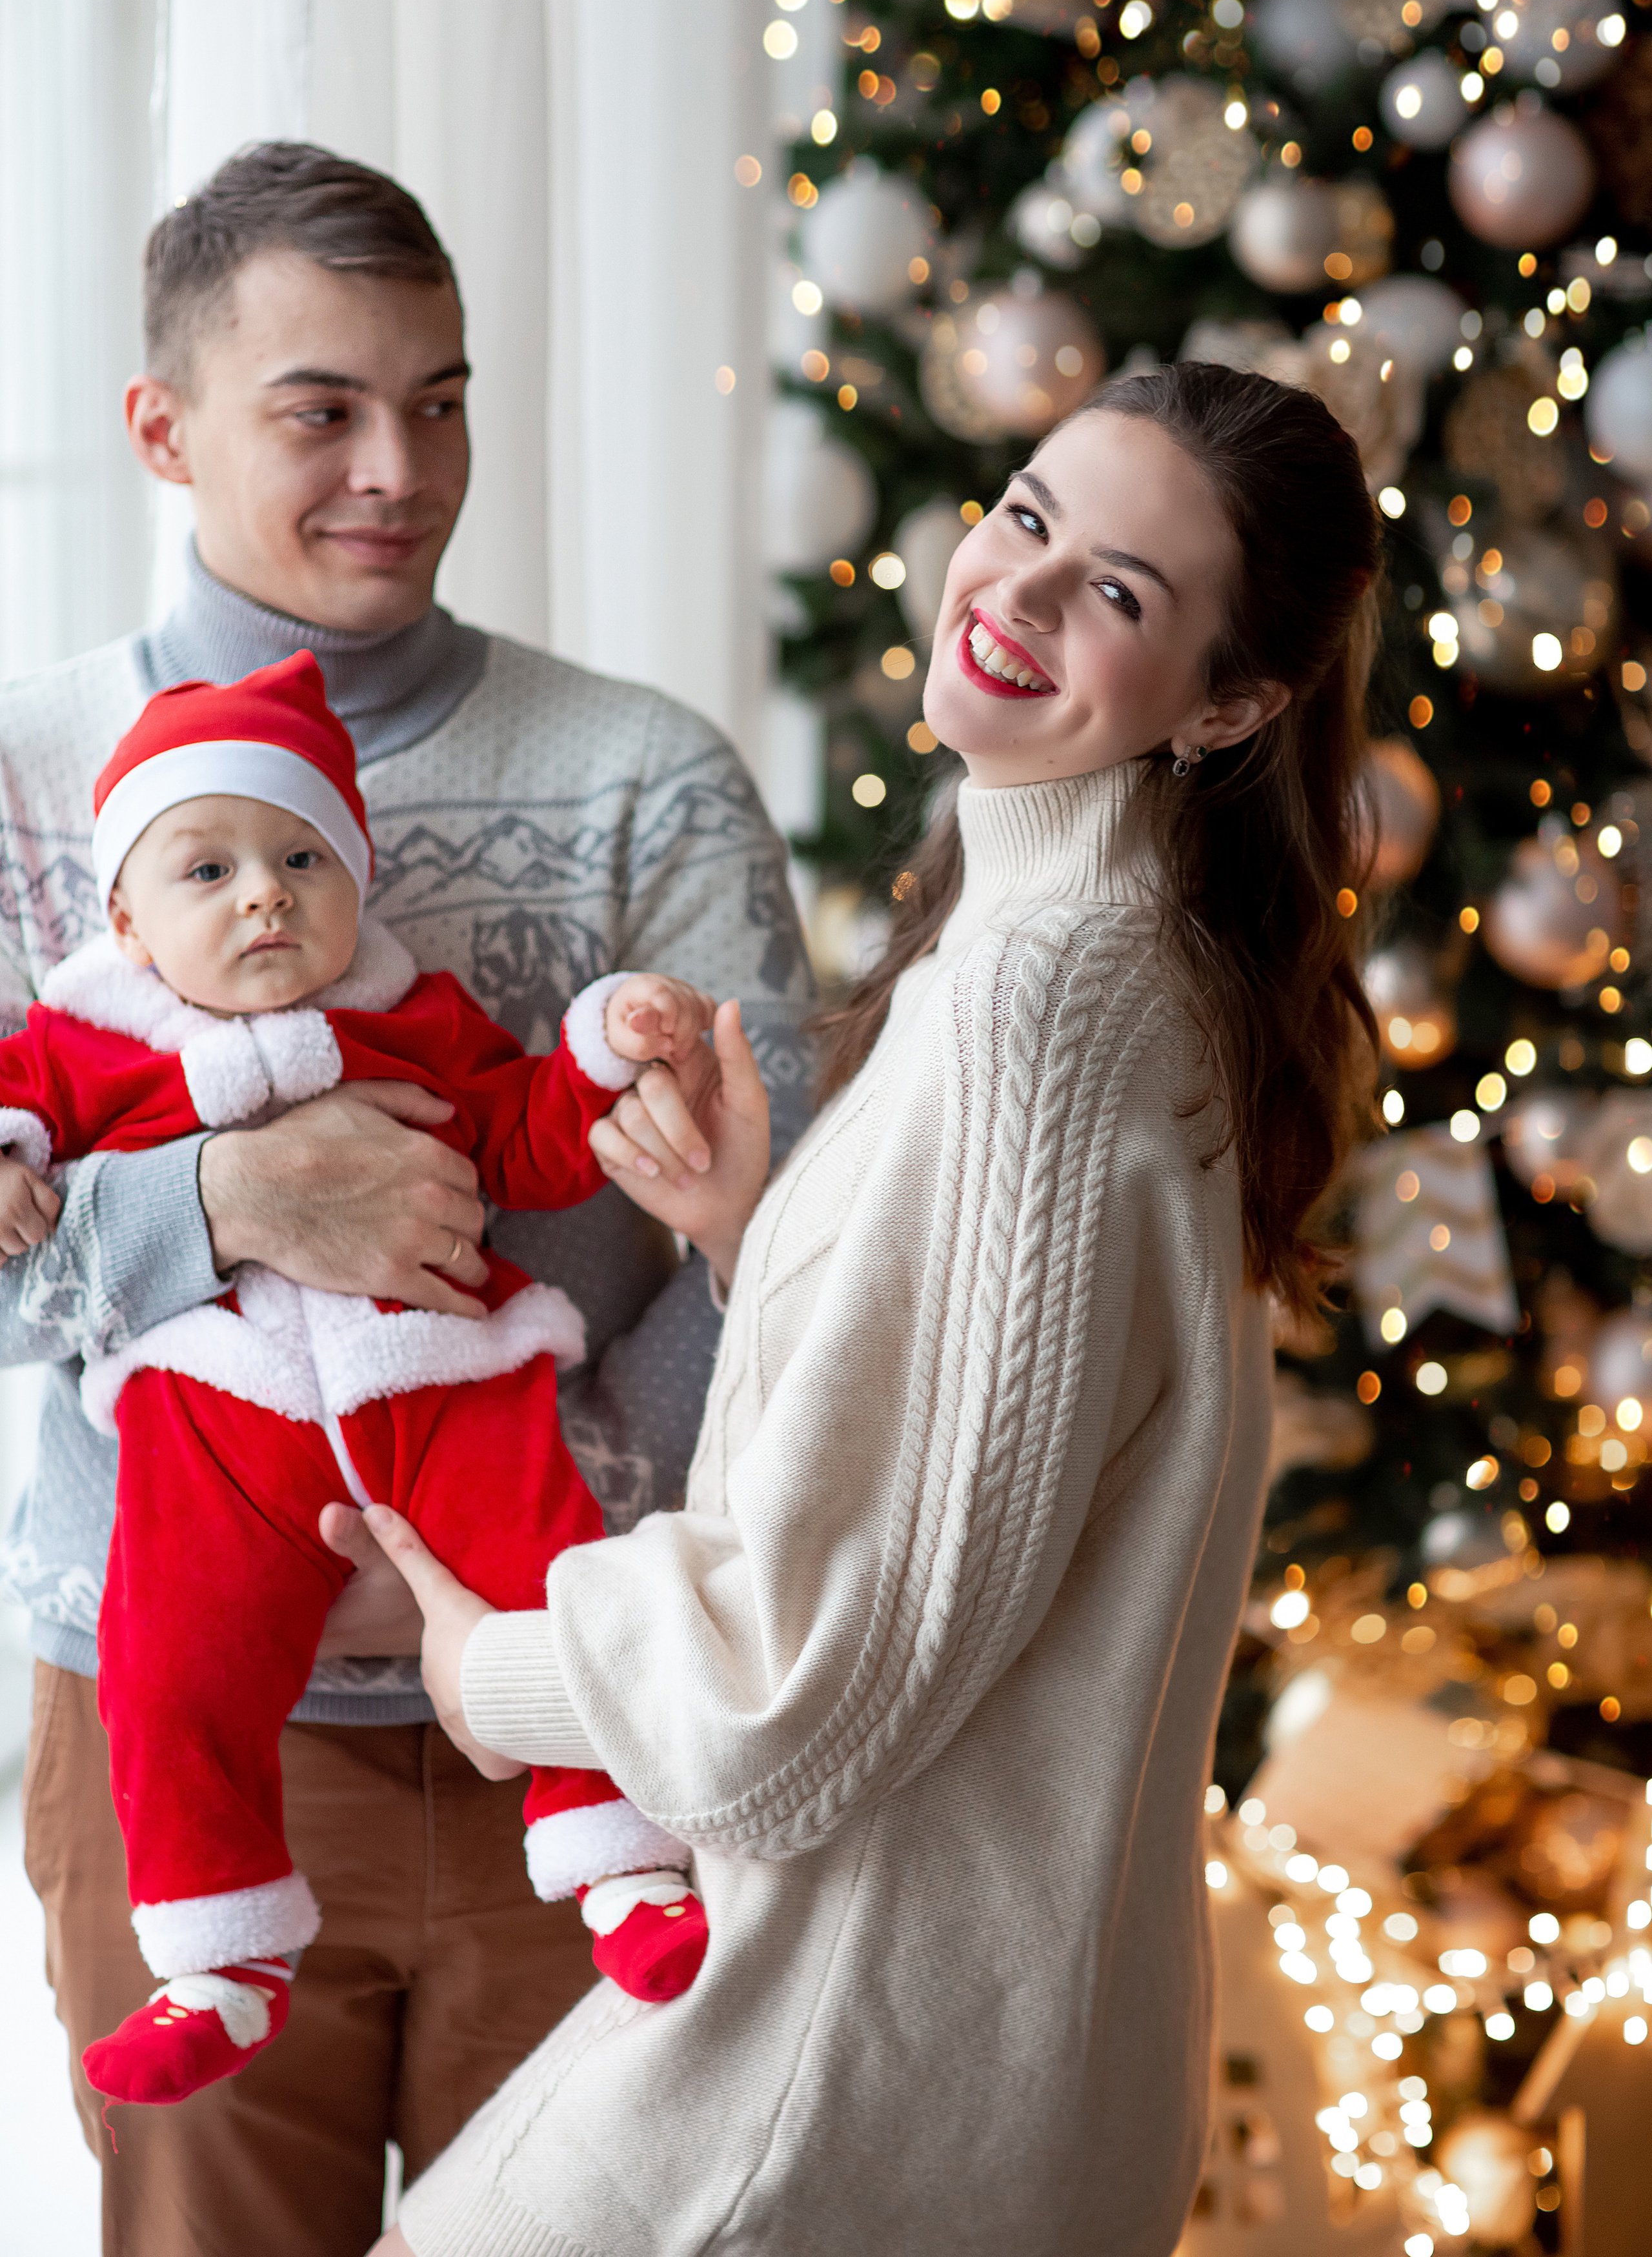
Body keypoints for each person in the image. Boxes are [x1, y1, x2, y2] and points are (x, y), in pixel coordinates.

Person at [358, 363, 1383, 2257]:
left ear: (1232, 705)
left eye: (1124, 595)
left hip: (830, 2096)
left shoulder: (1044, 1008)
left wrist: (493, 1667)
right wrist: (767, 1242)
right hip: (981, 2088)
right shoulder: (1092, 962)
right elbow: (995, 1497)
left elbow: (805, 1691)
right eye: (1028, 515)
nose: (1024, 593)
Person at [1, 144, 811, 2249]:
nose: (401, 466)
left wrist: (476, 1562)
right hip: (182, 1723)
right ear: (161, 428)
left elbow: (780, 1245)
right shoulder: (20, 782)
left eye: (441, 400)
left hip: (588, 1696)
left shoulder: (642, 772)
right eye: (323, 410)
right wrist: (235, 1201)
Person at [0, 650, 747, 2107]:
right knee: (172, 1663)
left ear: (356, 880)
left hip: (442, 1376)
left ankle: (623, 1862)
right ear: (127, 925)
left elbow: (520, 1143)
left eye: (299, 859)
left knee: (556, 1583)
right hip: (219, 1415)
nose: (262, 895)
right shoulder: (88, 1041)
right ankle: (217, 1959)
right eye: (205, 871)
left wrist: (594, 1051)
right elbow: (23, 1105)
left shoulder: (410, 1016)